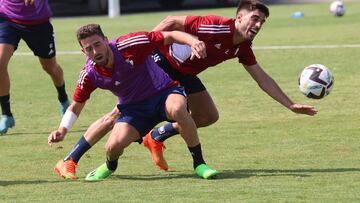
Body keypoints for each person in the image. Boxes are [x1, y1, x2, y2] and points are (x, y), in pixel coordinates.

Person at [50, 0, 318, 179]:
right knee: (117, 115)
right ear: (239, 17)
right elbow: (170, 22)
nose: (258, 25)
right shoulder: (213, 25)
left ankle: (157, 136)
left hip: (184, 74)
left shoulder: (242, 47)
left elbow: (262, 78)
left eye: (262, 22)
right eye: (254, 18)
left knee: (207, 116)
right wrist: (143, 51)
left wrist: (290, 105)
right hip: (161, 64)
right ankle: (74, 158)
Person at [48, 23, 218, 181]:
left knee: (178, 109)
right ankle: (109, 166)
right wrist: (62, 130)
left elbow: (171, 35)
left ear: (106, 41)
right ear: (83, 52)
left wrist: (193, 42)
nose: (95, 51)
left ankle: (199, 164)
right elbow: (77, 105)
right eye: (88, 48)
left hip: (164, 93)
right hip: (133, 110)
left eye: (97, 44)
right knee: (112, 147)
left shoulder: (130, 44)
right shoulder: (89, 74)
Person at [0, 0, 70, 134]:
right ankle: (6, 114)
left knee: (50, 67)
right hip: (6, 18)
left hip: (38, 23)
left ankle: (63, 99)